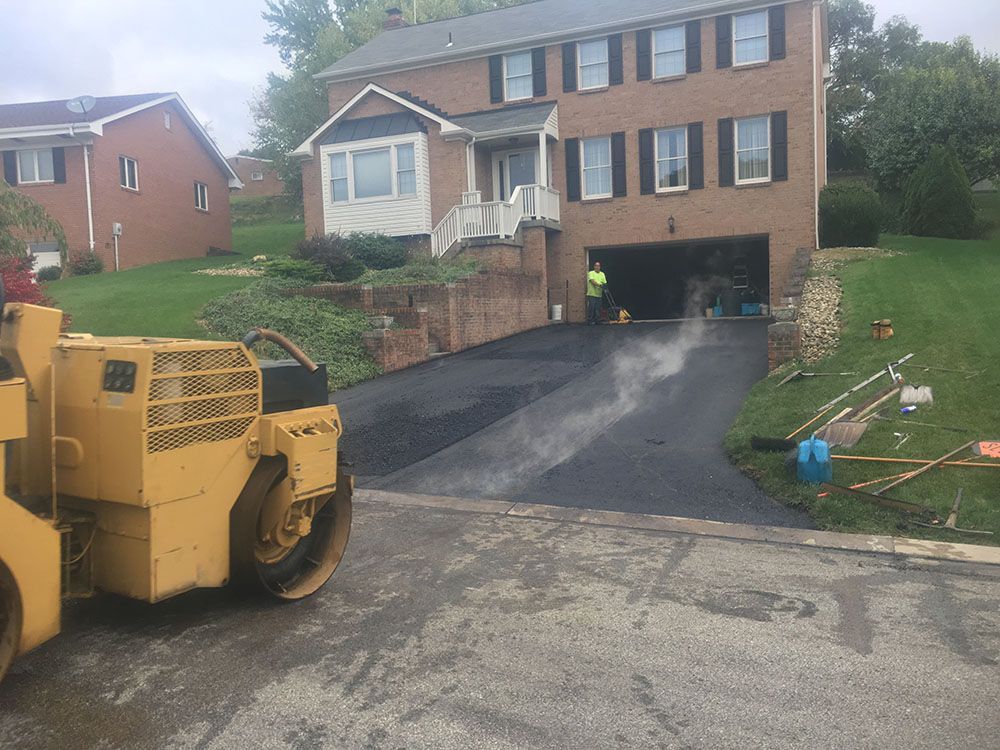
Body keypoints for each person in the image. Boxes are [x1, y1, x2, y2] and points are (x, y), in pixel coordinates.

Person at [586, 261, 607, 325]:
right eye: (596, 265)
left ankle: (597, 320)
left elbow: (604, 283)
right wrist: (599, 285)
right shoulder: (591, 273)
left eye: (598, 266)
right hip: (592, 294)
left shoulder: (602, 274)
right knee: (591, 307)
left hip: (599, 294)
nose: (597, 267)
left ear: (600, 267)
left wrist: (605, 288)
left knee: (598, 308)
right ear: (594, 266)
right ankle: (590, 321)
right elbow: (592, 281)